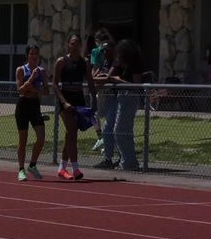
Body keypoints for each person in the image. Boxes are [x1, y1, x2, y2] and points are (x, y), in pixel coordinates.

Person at [94, 39, 149, 172]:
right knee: (118, 130)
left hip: (130, 97)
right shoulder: (120, 63)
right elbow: (106, 77)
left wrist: (116, 80)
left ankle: (129, 162)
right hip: (121, 96)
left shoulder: (135, 64)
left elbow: (136, 86)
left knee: (121, 131)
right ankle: (126, 160)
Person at [52, 33, 96, 180]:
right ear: (68, 45)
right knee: (72, 131)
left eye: (77, 44)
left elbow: (90, 82)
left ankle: (62, 168)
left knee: (70, 133)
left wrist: (94, 102)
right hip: (65, 100)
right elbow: (55, 85)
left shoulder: (85, 62)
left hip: (79, 100)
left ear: (81, 45)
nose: (75, 46)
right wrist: (64, 102)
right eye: (72, 43)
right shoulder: (61, 62)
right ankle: (76, 168)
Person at [13, 45, 48, 181]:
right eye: (31, 53)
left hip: (35, 106)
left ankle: (32, 165)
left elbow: (46, 91)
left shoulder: (42, 71)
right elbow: (20, 90)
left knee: (41, 138)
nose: (34, 56)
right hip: (23, 106)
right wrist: (32, 78)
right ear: (27, 55)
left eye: (36, 53)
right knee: (23, 140)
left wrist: (34, 90)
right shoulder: (21, 70)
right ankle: (21, 169)